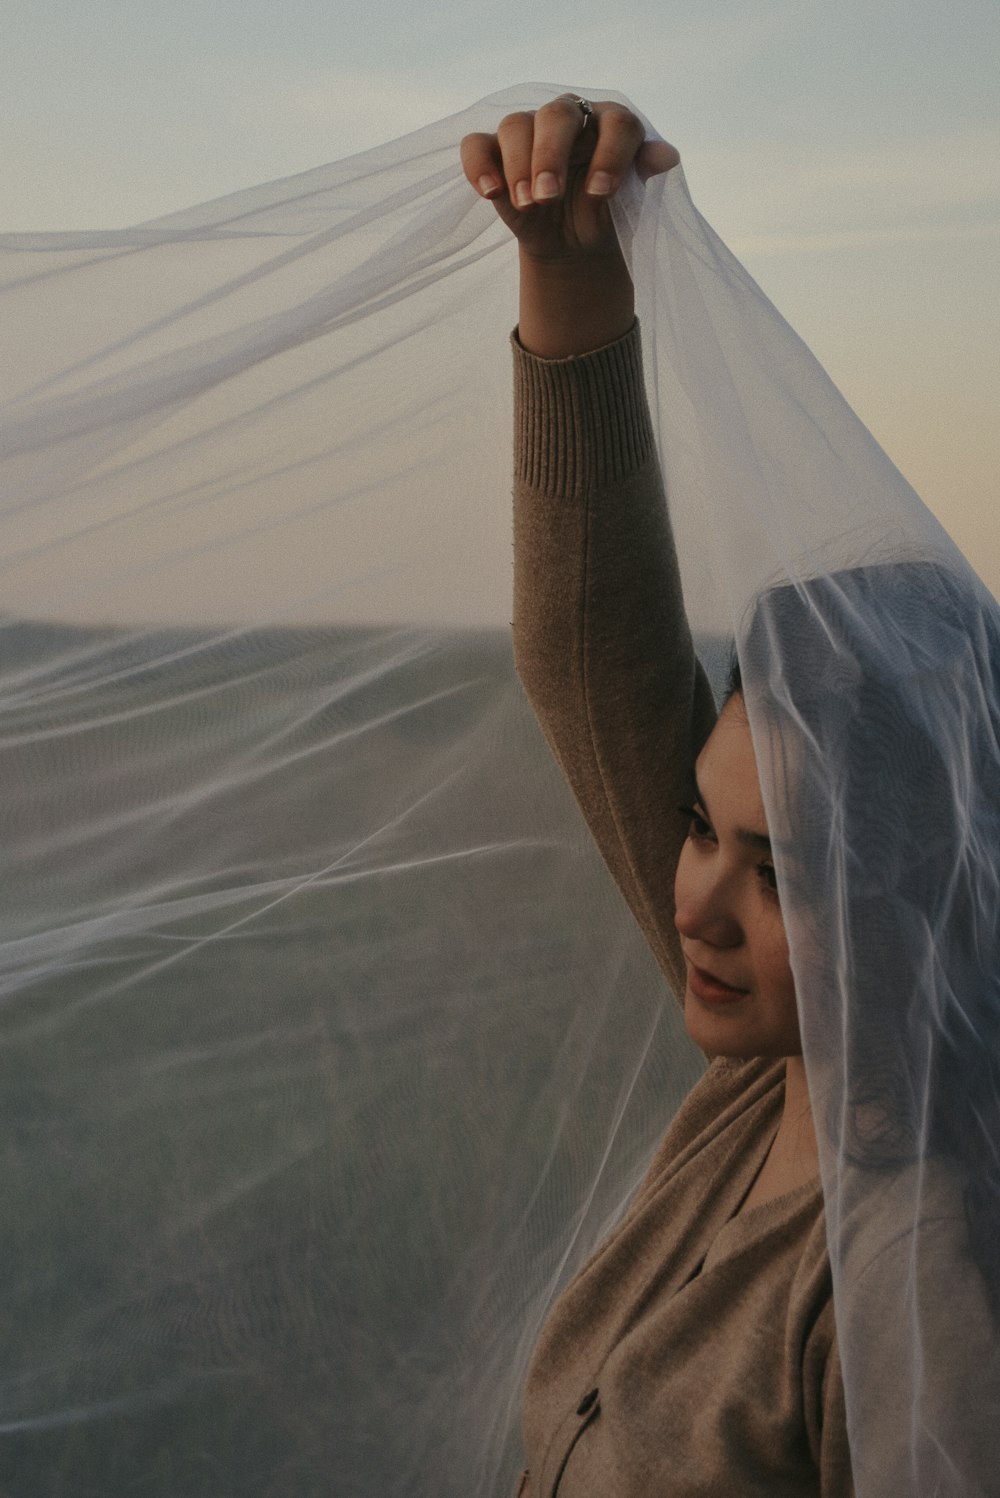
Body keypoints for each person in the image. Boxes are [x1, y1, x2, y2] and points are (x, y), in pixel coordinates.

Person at [461, 96, 1000, 1496]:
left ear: (911, 892)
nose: (692, 893)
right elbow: (599, 663)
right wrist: (571, 273)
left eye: (783, 870)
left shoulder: (925, 1280)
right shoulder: (771, 1071)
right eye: (702, 824)